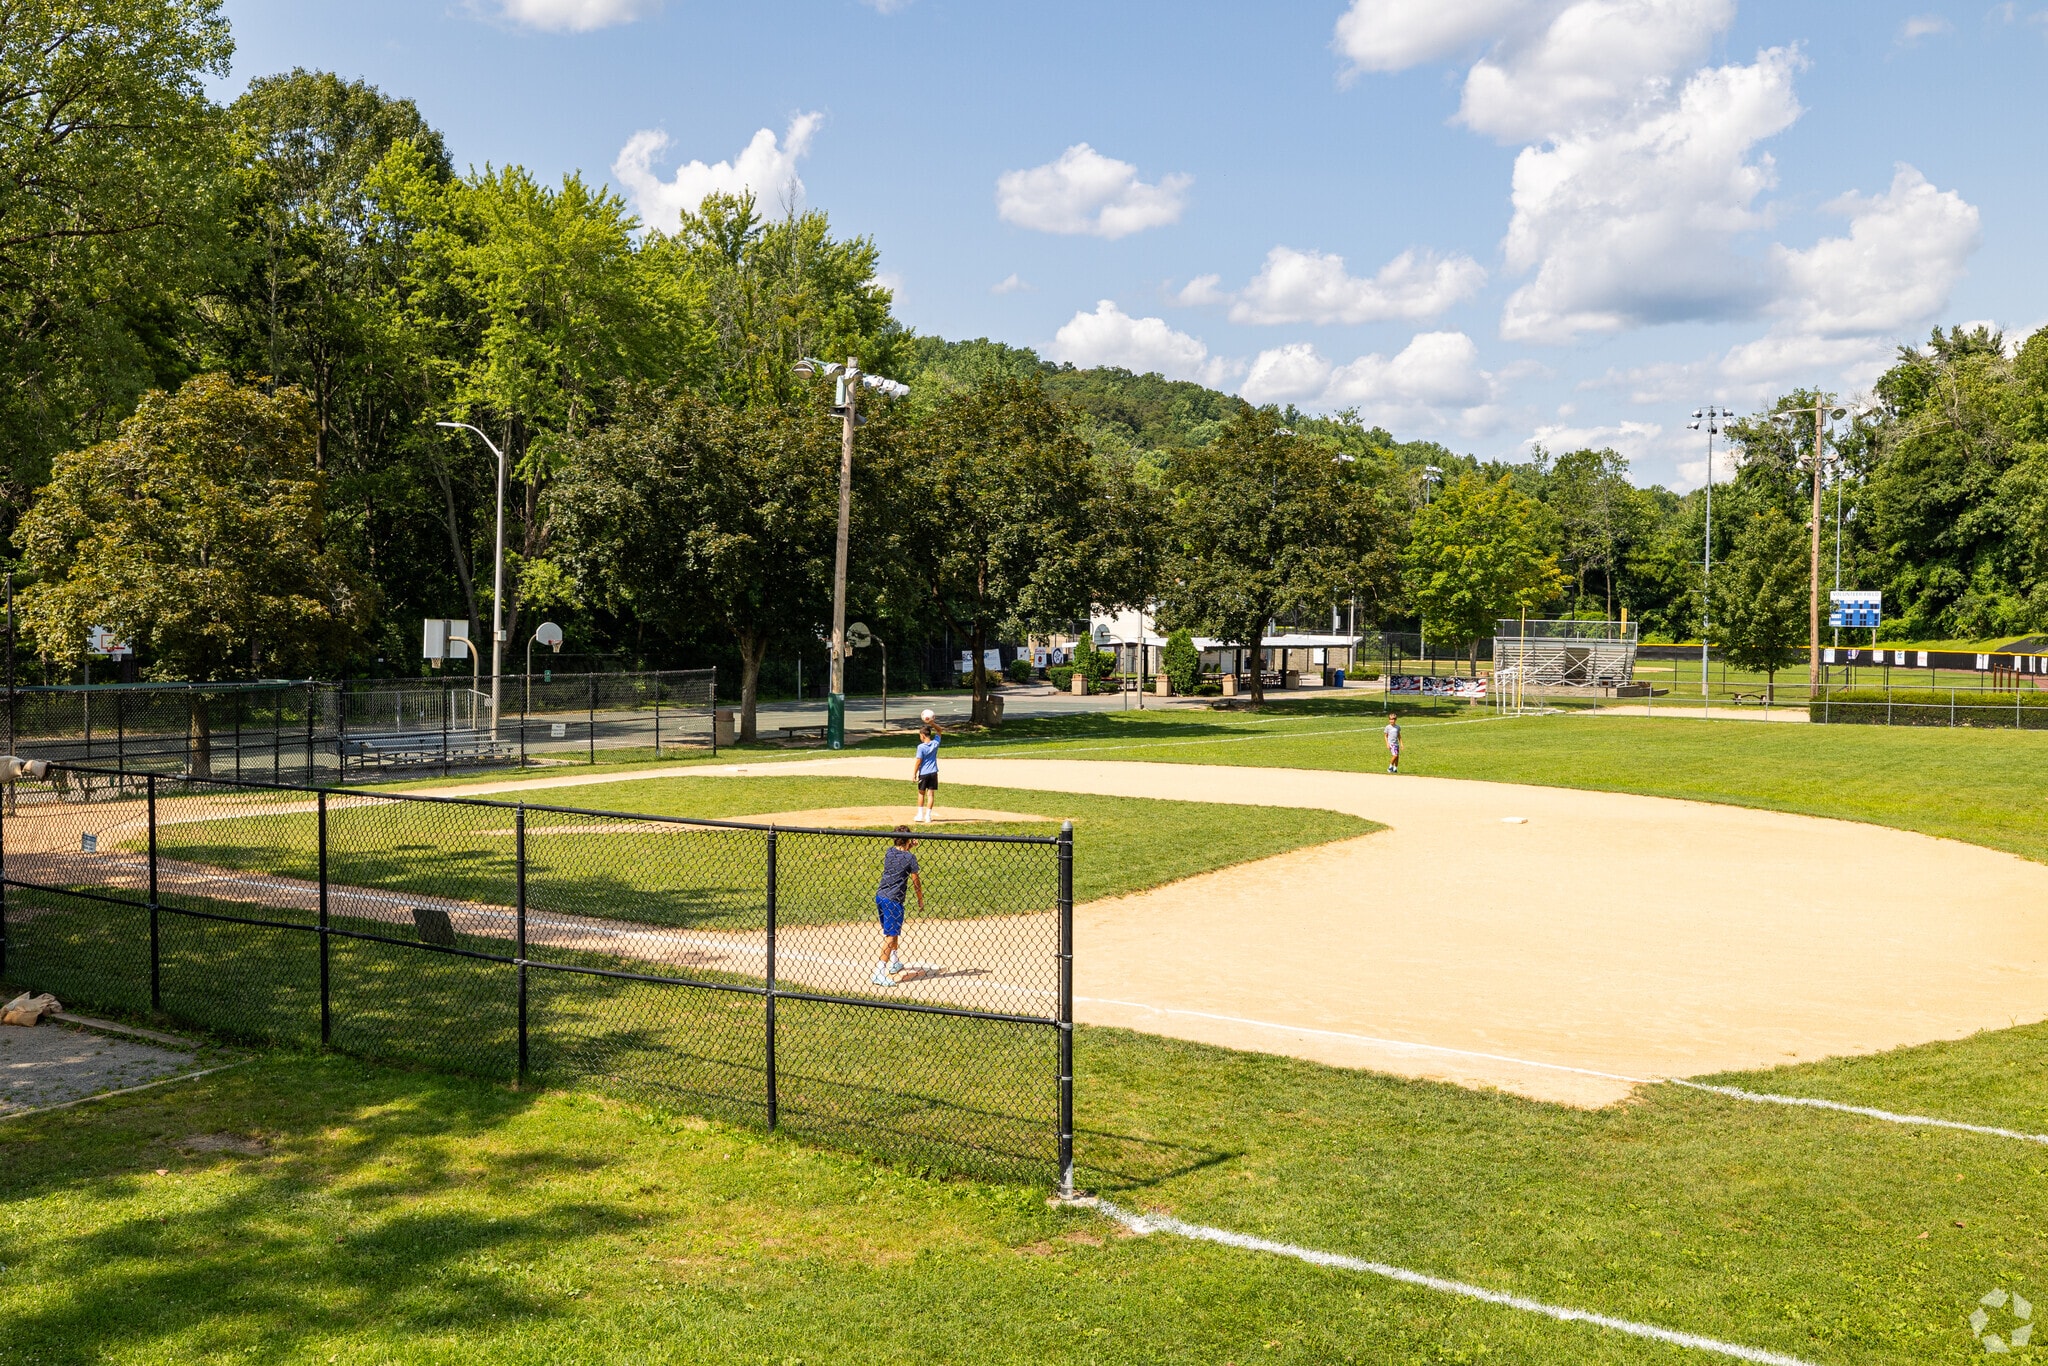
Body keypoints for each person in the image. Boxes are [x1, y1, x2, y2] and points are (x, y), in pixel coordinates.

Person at [872, 827, 924, 986]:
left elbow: (901, 853)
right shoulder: (910, 858)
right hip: (894, 900)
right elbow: (916, 881)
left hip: (880, 896)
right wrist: (920, 899)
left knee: (892, 931)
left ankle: (894, 961)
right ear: (908, 841)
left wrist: (909, 845)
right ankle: (879, 972)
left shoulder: (889, 852)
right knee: (891, 935)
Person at [912, 721, 942, 823]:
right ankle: (928, 816)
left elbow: (918, 761)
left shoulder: (921, 747)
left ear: (923, 735)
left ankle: (920, 815)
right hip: (933, 772)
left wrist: (914, 773)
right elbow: (939, 730)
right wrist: (932, 723)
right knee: (931, 794)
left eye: (920, 735)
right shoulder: (935, 743)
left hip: (924, 773)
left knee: (921, 793)